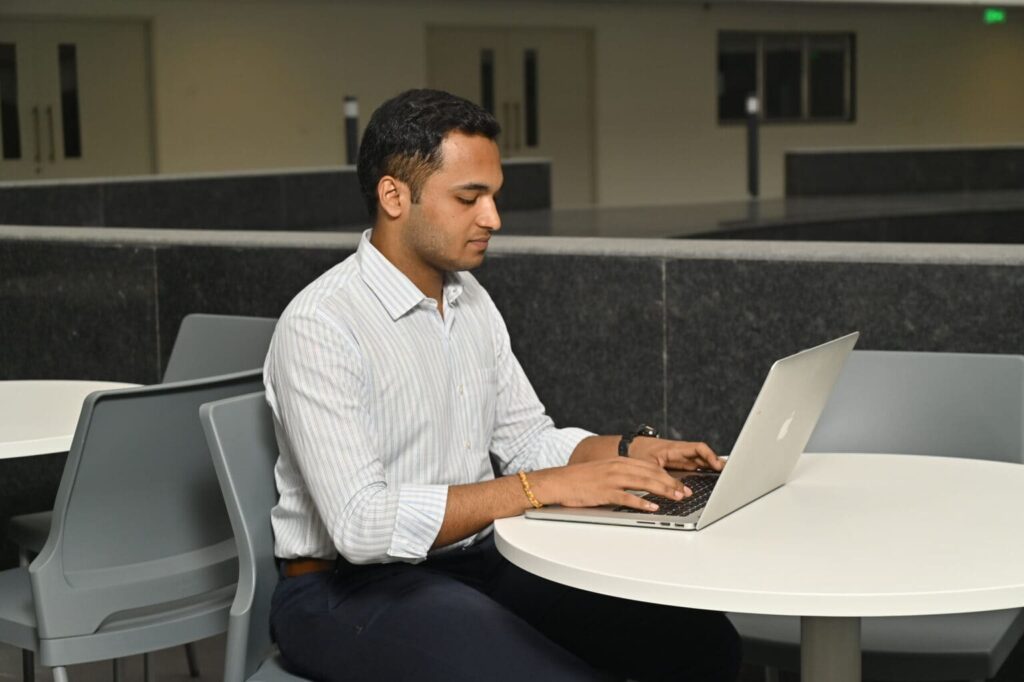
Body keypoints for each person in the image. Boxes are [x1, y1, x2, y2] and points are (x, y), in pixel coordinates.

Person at [264, 88, 741, 681]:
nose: (493, 218)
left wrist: (627, 452)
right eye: (469, 198)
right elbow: (362, 526)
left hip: (471, 562)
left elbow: (526, 441)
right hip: (342, 591)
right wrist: (542, 488)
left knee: (701, 643)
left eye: (493, 196)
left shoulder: (469, 298)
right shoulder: (321, 325)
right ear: (394, 196)